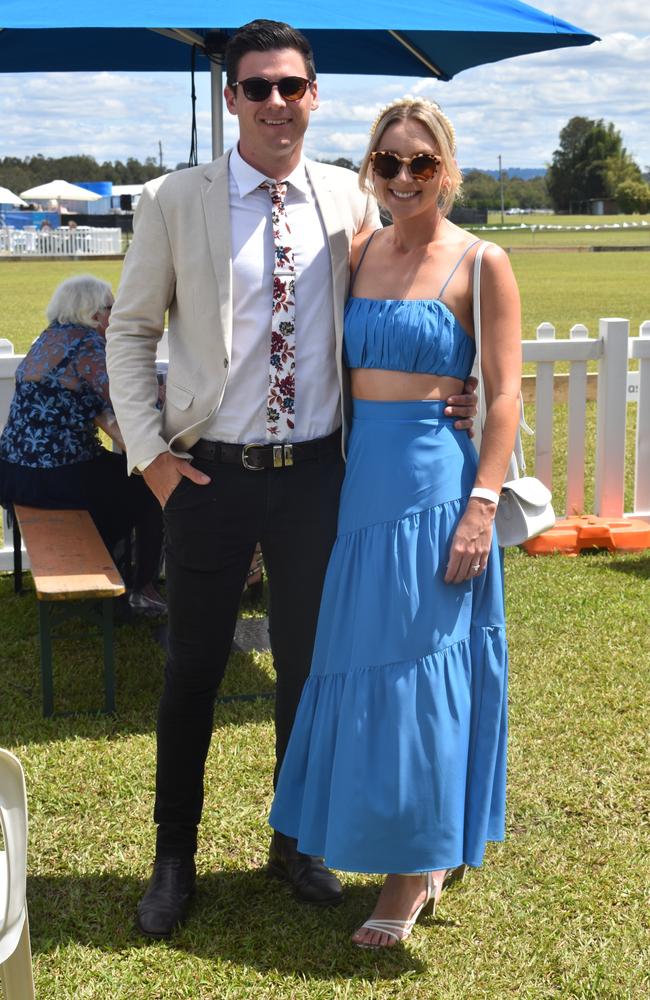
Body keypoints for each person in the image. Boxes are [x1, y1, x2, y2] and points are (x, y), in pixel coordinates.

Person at [105, 20, 478, 939]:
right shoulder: (173, 201)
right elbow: (129, 331)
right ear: (230, 97)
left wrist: (454, 388)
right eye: (259, 86)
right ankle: (173, 858)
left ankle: (295, 842)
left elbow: (409, 289)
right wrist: (151, 459)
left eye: (293, 86)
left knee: (309, 674)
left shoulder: (348, 201)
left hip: (321, 478)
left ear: (316, 97)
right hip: (207, 478)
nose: (277, 102)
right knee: (192, 670)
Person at [269, 96, 522, 949]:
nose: (404, 177)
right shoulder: (358, 251)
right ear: (370, 171)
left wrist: (482, 504)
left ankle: (415, 869)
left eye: (420, 163)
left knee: (421, 673)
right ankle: (394, 838)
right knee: (359, 666)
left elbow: (505, 394)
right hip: (359, 488)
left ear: (446, 169)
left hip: (437, 493)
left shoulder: (484, 262)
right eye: (388, 162)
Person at [0, 274, 165, 614]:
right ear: (94, 314)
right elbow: (126, 401)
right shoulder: (88, 345)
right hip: (53, 475)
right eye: (111, 309)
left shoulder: (47, 339)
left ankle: (113, 570)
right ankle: (139, 587)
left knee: (116, 482)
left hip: (14, 472)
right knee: (151, 486)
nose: (114, 316)